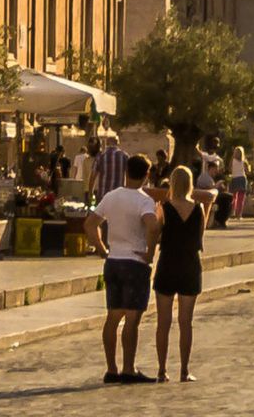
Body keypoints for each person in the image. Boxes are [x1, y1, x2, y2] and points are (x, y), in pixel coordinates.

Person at [92, 157, 161, 383]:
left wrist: (102, 248)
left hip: (113, 260)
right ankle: (129, 368)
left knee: (112, 317)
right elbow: (152, 226)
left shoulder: (111, 197)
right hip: (135, 262)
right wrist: (150, 252)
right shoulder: (144, 201)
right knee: (132, 319)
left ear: (126, 171)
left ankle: (111, 368)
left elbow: (89, 224)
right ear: (146, 175)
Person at [148, 167, 206, 382]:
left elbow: (155, 233)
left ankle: (162, 370)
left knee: (163, 321)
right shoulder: (199, 208)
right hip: (190, 265)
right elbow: (200, 238)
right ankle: (184, 369)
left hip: (168, 264)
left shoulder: (164, 208)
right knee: (185, 321)